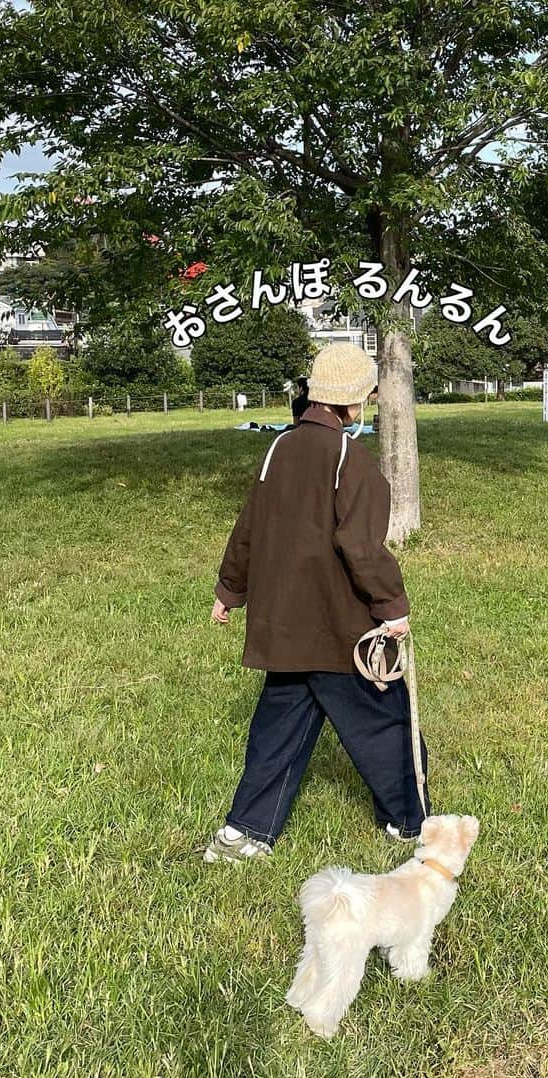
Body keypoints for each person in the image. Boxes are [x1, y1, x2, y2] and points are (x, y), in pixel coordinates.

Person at [203, 343, 430, 862]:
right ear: (354, 402)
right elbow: (362, 548)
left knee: (279, 730)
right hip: (339, 631)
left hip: (284, 628)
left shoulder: (278, 449)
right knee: (382, 719)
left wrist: (229, 590)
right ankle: (410, 822)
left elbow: (248, 527)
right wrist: (393, 607)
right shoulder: (352, 461)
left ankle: (245, 833)